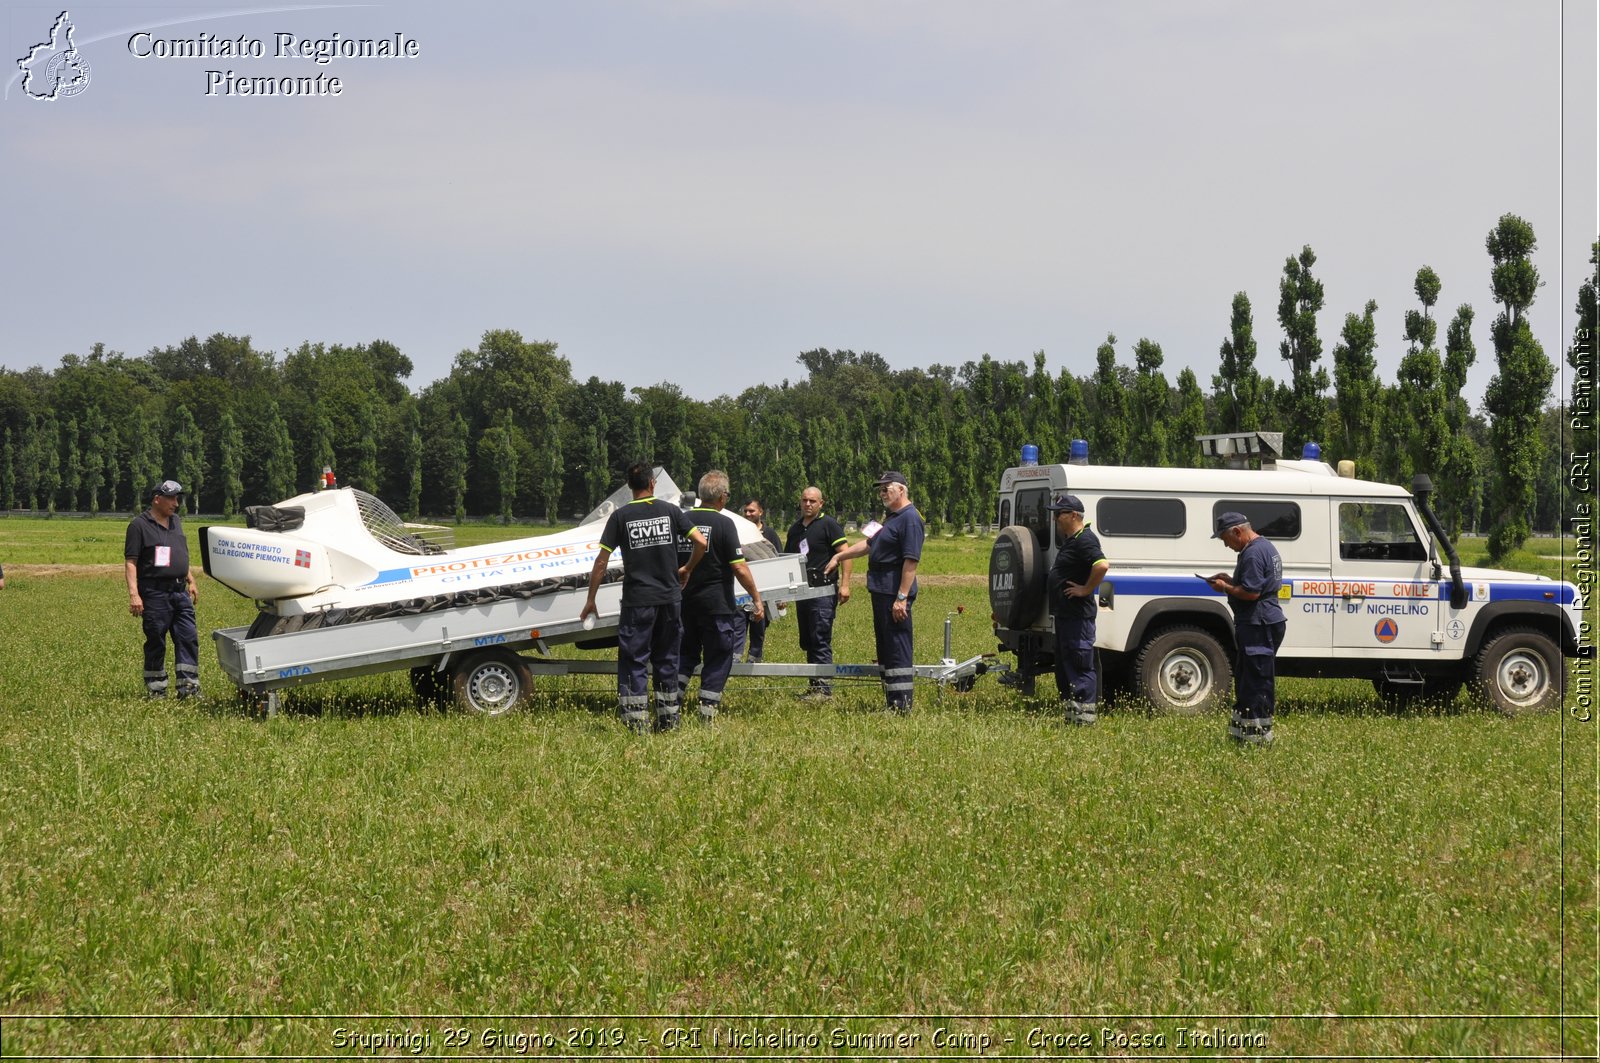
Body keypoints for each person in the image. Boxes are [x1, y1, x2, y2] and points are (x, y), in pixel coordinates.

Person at [580, 461, 708, 733]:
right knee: (667, 658)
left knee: (634, 659)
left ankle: (637, 723)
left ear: (629, 486)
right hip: (669, 599)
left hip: (638, 601)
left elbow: (601, 562)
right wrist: (687, 569)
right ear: (653, 484)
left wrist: (591, 599)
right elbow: (701, 542)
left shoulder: (620, 517)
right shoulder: (671, 511)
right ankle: (668, 720)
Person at [825, 470, 923, 713]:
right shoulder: (891, 517)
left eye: (886, 489)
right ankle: (891, 701)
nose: (882, 494)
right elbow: (869, 544)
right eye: (880, 490)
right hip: (880, 590)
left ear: (901, 490)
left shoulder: (910, 518)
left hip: (893, 592)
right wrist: (840, 555)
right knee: (886, 648)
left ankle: (902, 706)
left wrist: (901, 597)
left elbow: (911, 561)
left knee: (897, 647)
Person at [678, 472, 765, 722]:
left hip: (684, 604)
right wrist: (756, 598)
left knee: (685, 654)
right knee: (718, 655)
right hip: (715, 605)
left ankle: (673, 701)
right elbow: (739, 567)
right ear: (722, 497)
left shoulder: (682, 520)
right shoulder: (725, 524)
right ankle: (706, 711)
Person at [1205, 511, 1286, 745]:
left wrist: (1225, 587)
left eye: (1225, 539)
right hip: (1262, 621)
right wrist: (1230, 581)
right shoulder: (1264, 547)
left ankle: (1258, 738)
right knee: (1247, 678)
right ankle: (1243, 734)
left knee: (1255, 681)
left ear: (1238, 532)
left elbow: (1252, 592)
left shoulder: (1252, 554)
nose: (1226, 545)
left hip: (1259, 623)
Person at [125, 479, 200, 699]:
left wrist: (191, 579)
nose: (176, 503)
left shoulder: (176, 521)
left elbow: (179, 554)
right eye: (172, 498)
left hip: (180, 592)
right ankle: (156, 689)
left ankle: (189, 689)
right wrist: (134, 594)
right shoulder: (138, 525)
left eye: (177, 498)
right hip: (154, 593)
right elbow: (131, 562)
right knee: (156, 640)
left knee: (188, 637)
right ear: (157, 499)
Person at [1045, 493, 1109, 725]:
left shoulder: (1085, 539)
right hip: (1065, 616)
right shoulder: (1072, 540)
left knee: (1080, 666)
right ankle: (1073, 718)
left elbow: (1102, 565)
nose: (1055, 519)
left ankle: (1084, 720)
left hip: (1077, 618)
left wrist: (1085, 589)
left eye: (1058, 514)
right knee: (1065, 668)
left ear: (1073, 515)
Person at [785, 486, 853, 699]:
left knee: (820, 637)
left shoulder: (829, 525)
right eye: (804, 500)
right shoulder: (795, 528)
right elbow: (787, 561)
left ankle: (824, 690)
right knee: (808, 640)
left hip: (823, 592)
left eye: (812, 501)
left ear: (821, 503)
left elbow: (846, 555)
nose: (808, 504)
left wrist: (845, 585)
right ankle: (814, 687)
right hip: (801, 593)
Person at [737, 498, 783, 662]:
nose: (748, 514)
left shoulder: (769, 534)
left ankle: (755, 659)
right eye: (746, 511)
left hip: (763, 591)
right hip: (741, 590)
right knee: (738, 625)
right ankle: (735, 661)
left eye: (752, 511)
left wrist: (780, 597)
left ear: (760, 512)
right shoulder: (738, 531)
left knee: (759, 626)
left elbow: (778, 563)